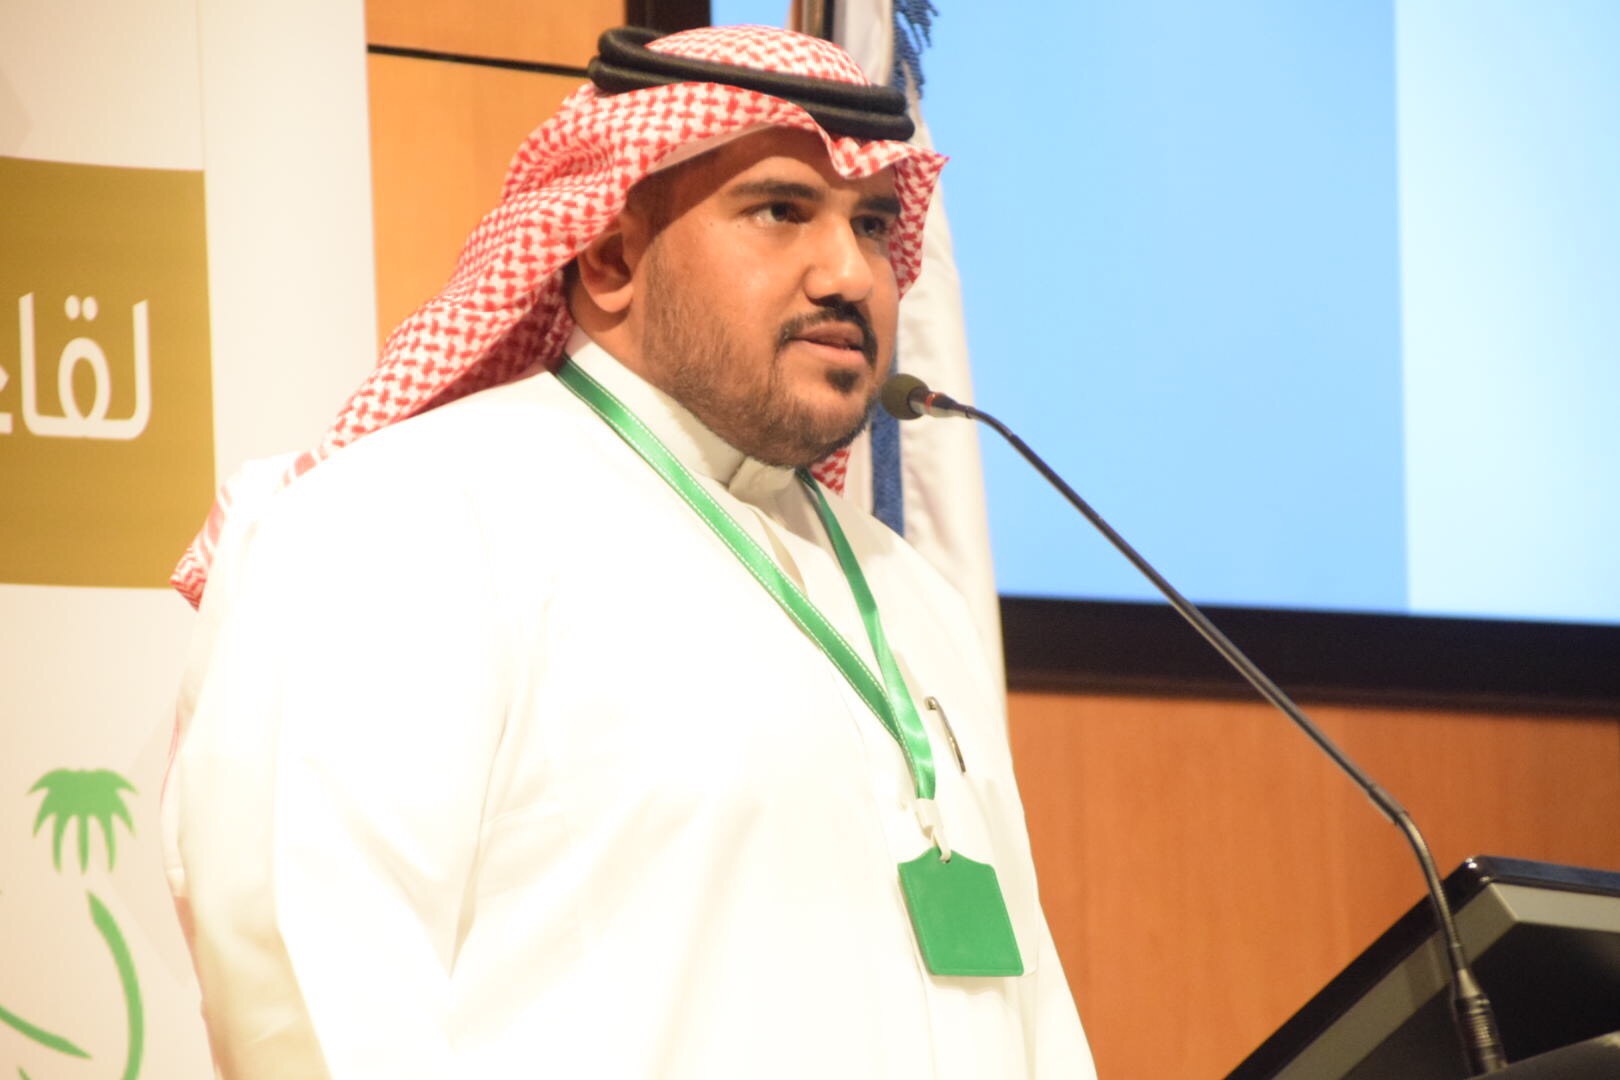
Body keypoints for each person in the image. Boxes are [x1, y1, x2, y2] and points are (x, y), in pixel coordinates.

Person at [163, 24, 1097, 1079]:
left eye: (873, 223)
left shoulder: (909, 593)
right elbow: (314, 989)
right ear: (608, 257)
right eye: (781, 210)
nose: (850, 273)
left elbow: (1033, 1022)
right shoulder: (406, 524)